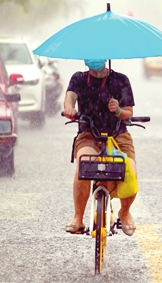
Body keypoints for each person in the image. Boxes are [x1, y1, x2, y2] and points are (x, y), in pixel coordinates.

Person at [63, 59, 137, 236]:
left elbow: (129, 112)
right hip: (89, 135)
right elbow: (69, 100)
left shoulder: (120, 80)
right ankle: (78, 218)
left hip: (119, 135)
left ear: (105, 58)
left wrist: (119, 111)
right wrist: (69, 109)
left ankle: (125, 213)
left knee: (130, 173)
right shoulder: (78, 79)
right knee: (84, 165)